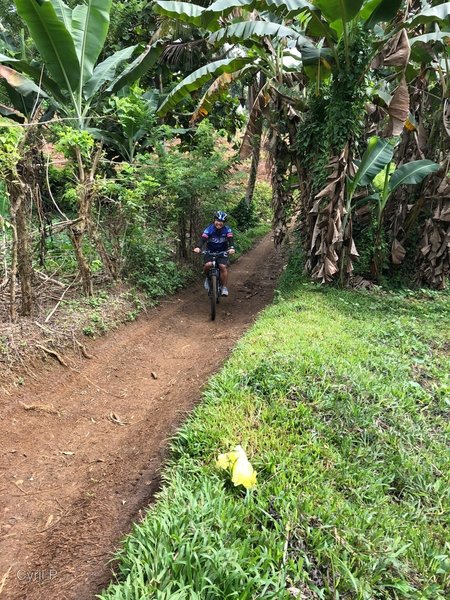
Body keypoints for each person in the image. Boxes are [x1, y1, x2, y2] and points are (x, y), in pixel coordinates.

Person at [193, 211, 235, 296]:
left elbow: (230, 240)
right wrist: (198, 247)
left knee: (222, 266)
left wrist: (232, 248)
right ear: (214, 220)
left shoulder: (227, 230)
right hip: (209, 251)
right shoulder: (209, 229)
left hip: (222, 252)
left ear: (224, 223)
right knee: (208, 265)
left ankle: (224, 287)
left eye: (221, 221)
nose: (219, 223)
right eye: (217, 220)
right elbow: (203, 239)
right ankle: (208, 278)